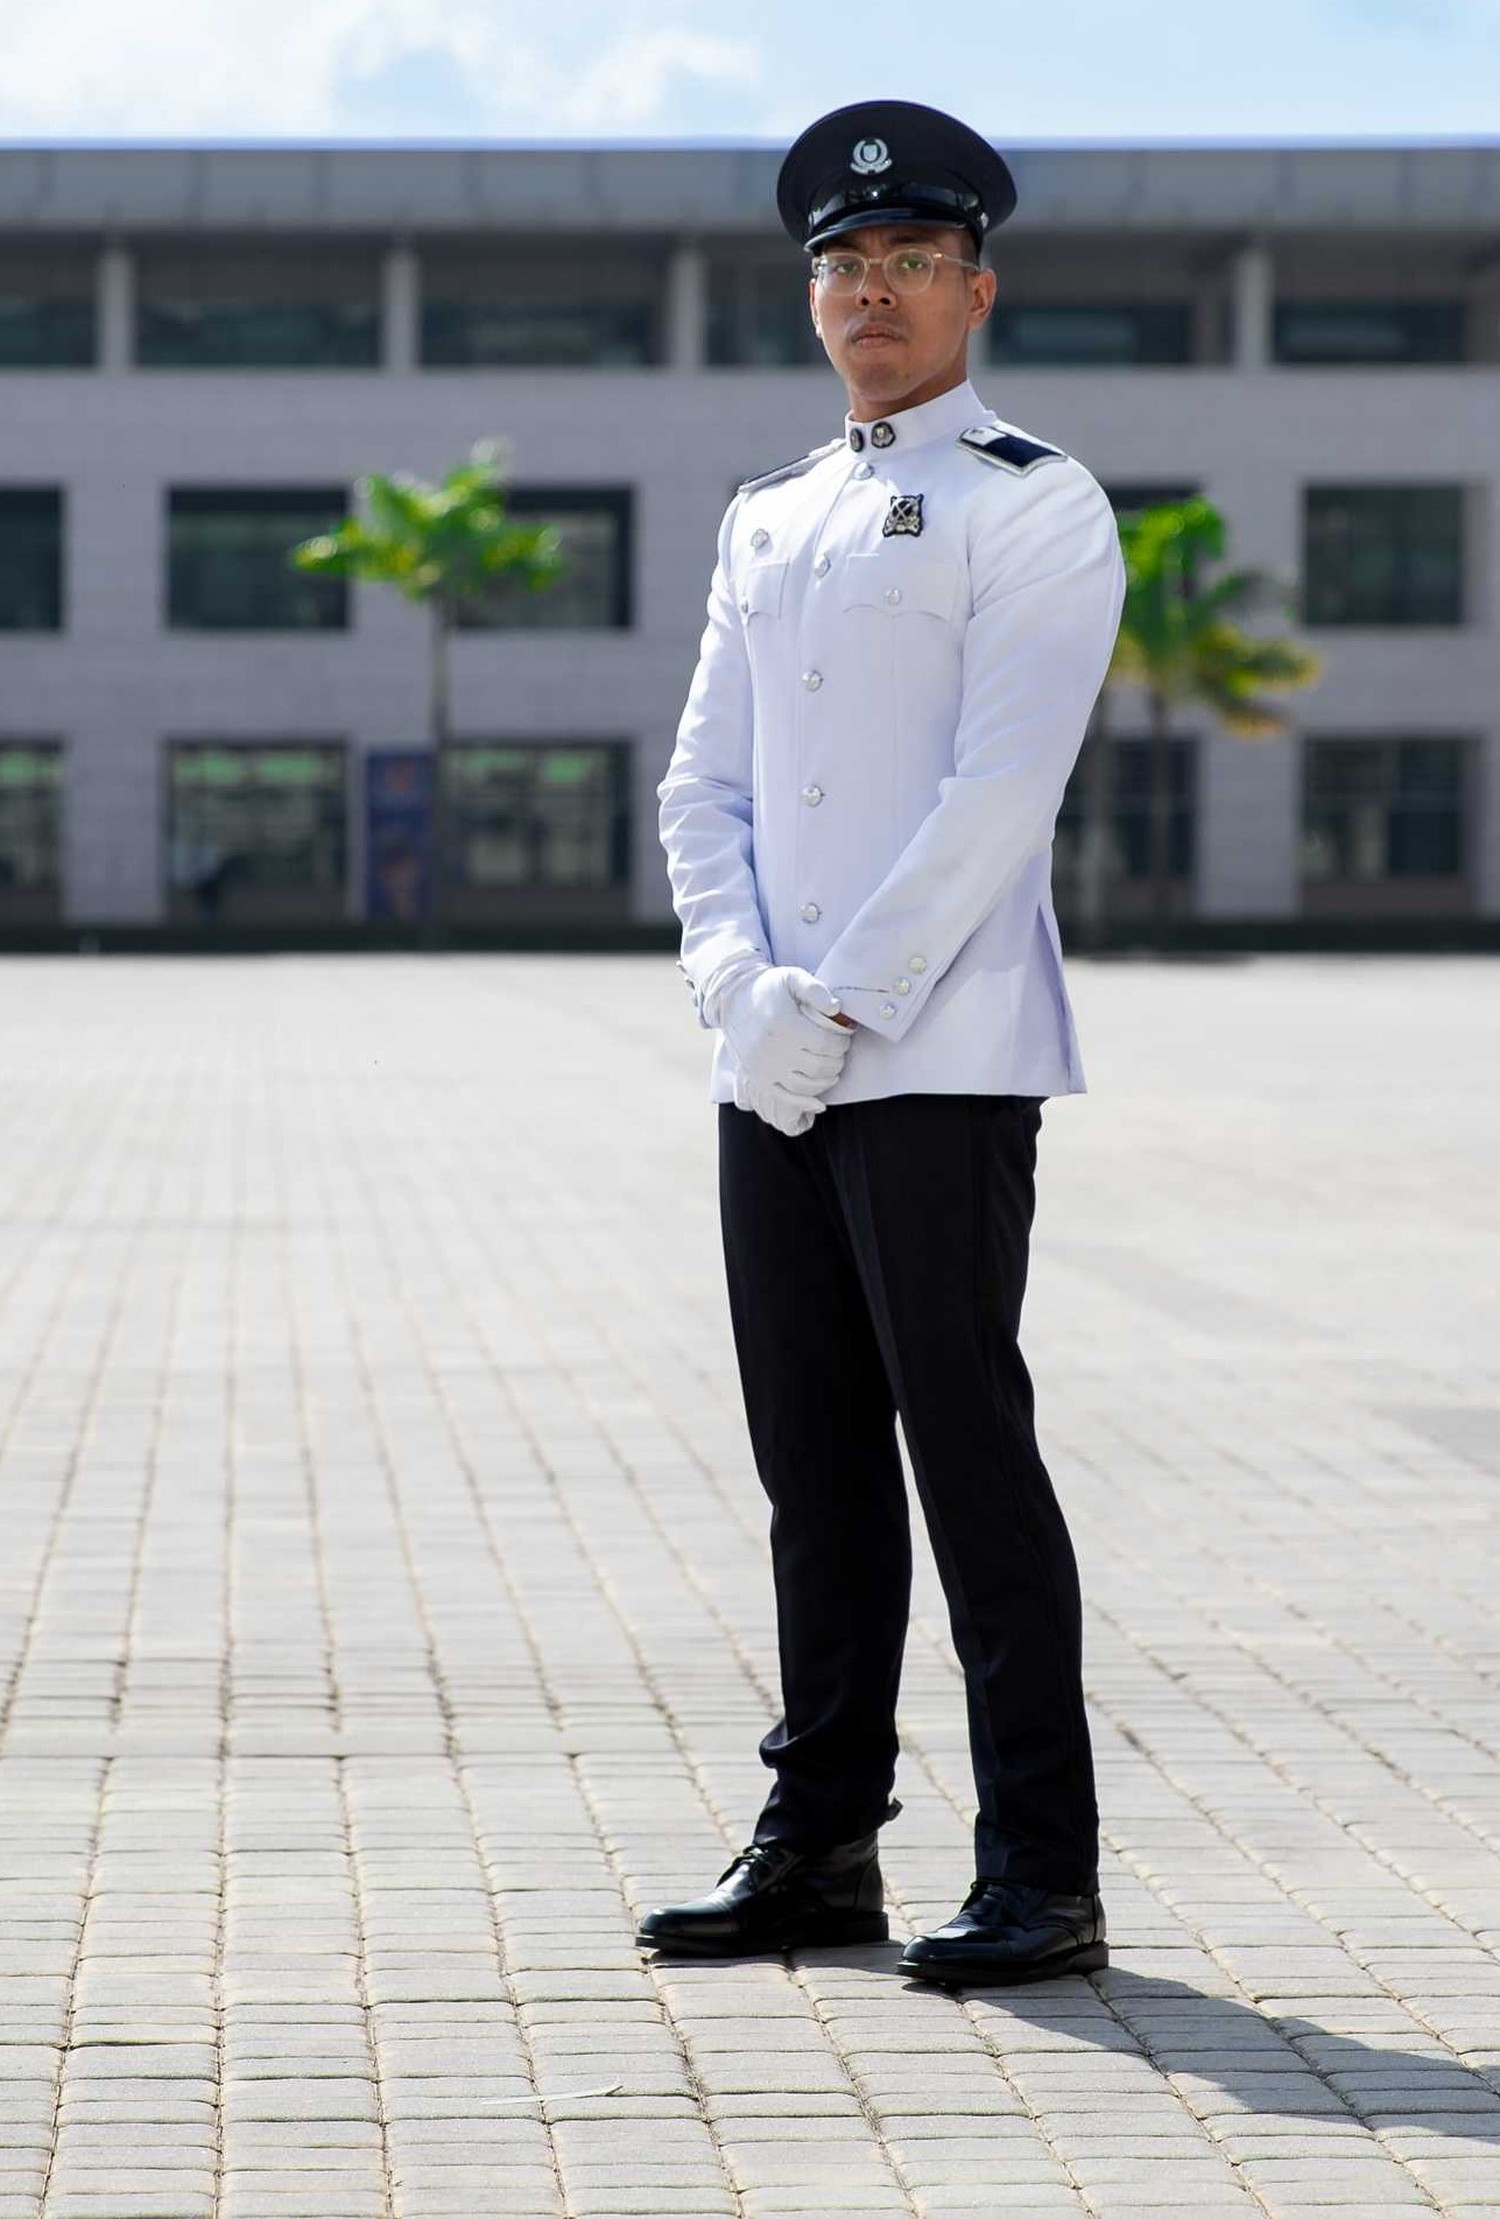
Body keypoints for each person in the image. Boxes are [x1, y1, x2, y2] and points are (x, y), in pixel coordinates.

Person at [643, 99, 1126, 1988]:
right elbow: (704, 787)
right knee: (813, 1470)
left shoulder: (1034, 502)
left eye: (910, 263)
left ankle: (1044, 1871)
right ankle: (820, 1842)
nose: (870, 292)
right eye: (843, 265)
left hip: (939, 1056)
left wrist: (832, 1004)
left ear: (975, 288)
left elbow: (999, 798)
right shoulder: (770, 513)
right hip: (768, 1064)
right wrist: (742, 997)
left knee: (967, 1455)